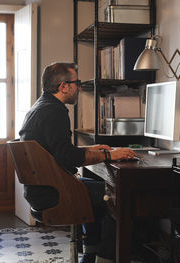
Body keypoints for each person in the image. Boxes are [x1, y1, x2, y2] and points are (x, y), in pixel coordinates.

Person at [19, 62, 136, 263]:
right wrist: (110, 156)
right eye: (77, 83)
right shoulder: (55, 111)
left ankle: (91, 254)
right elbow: (66, 156)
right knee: (118, 196)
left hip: (41, 191)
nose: (79, 88)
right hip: (54, 193)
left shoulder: (39, 107)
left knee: (103, 190)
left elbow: (57, 151)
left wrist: (90, 150)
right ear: (64, 86)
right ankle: (103, 258)